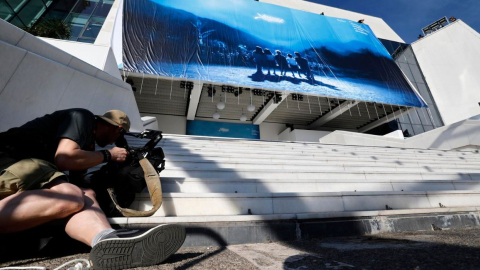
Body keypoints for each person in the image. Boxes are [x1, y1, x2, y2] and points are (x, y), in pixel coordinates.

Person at [0, 108, 184, 269]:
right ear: (118, 129)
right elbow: (64, 158)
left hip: (40, 172)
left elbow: (76, 177)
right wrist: (108, 155)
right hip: (12, 160)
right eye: (118, 138)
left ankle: (109, 243)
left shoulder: (87, 143)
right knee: (71, 195)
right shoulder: (82, 117)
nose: (114, 143)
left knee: (86, 194)